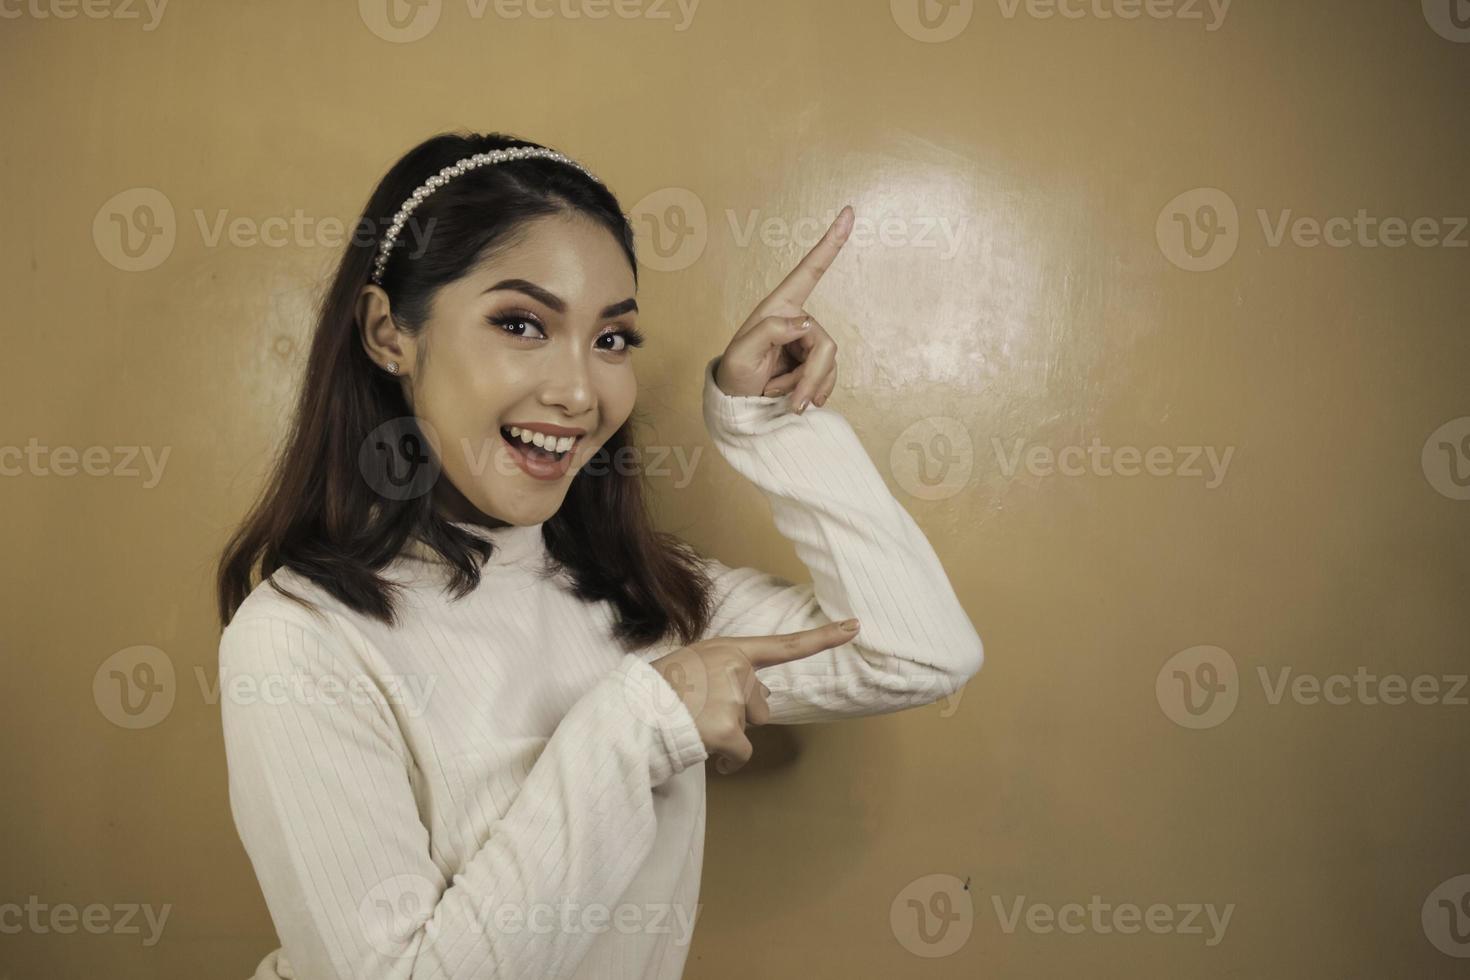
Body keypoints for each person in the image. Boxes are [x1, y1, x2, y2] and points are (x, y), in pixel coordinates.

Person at [214, 130, 984, 980]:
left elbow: (918, 652)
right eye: (520, 324)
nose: (581, 392)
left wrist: (763, 424)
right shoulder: (300, 640)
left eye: (612, 340)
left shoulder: (647, 596)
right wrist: (637, 726)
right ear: (389, 333)